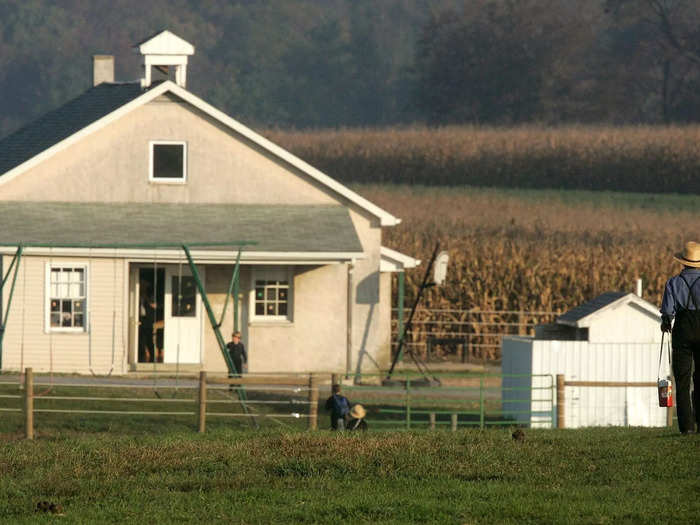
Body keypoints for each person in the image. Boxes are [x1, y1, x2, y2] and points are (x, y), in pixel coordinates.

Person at [661, 241, 700, 434]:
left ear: (683, 263)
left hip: (682, 332)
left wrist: (666, 322)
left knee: (682, 381)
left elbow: (668, 312)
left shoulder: (673, 282)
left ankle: (687, 427)